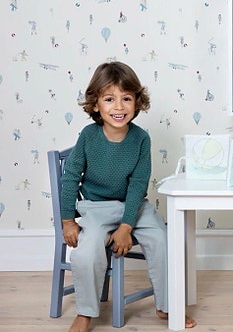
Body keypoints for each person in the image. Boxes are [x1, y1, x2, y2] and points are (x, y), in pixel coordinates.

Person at [60, 61, 196, 331]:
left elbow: (138, 186)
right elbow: (71, 177)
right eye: (109, 99)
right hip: (96, 208)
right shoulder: (88, 136)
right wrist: (67, 221)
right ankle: (85, 312)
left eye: (126, 98)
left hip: (134, 207)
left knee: (163, 239)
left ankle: (167, 305)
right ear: (96, 105)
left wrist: (126, 226)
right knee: (86, 252)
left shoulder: (141, 139)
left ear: (136, 102)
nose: (119, 107)